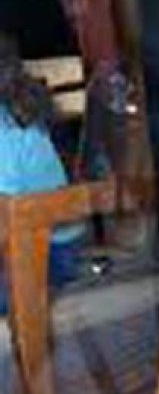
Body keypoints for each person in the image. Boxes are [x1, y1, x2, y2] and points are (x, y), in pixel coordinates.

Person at [0, 33, 84, 314]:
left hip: (47, 254)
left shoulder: (5, 127)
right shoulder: (12, 111)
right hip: (36, 242)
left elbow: (6, 213)